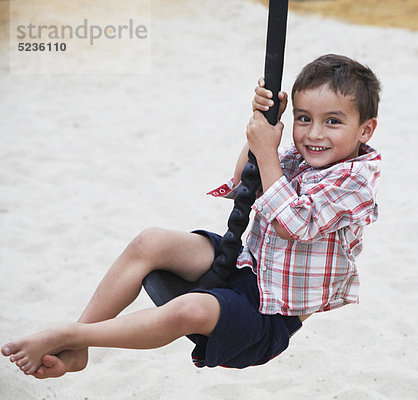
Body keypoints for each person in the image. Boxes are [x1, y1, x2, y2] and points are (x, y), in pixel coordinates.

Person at [2, 54, 382, 378]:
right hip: (245, 267)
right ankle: (80, 344)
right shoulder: (298, 158)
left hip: (268, 317)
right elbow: (243, 179)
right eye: (303, 118)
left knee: (187, 309)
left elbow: (294, 223)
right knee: (150, 241)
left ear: (366, 129)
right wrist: (262, 130)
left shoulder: (355, 181)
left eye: (332, 121)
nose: (313, 133)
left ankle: (73, 335)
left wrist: (268, 154)